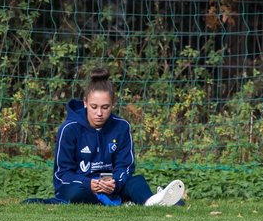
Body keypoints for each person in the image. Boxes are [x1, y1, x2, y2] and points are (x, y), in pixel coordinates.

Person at [53, 68, 185, 206]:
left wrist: (115, 182)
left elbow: (125, 167)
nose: (99, 113)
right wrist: (88, 183)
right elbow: (62, 174)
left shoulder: (122, 127)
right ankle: (121, 202)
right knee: (75, 192)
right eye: (94, 106)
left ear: (113, 104)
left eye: (105, 107)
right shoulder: (69, 129)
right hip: (82, 187)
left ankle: (152, 201)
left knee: (137, 182)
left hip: (113, 187)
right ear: (85, 102)